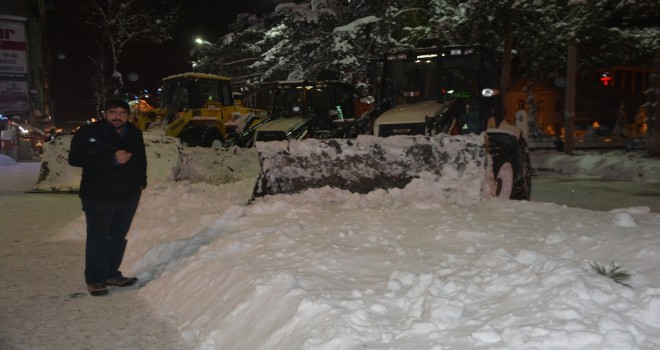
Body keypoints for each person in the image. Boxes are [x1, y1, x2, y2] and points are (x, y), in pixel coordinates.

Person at [68, 98, 147, 296]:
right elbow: (75, 158)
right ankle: (95, 279)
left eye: (122, 113)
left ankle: (111, 274)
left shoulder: (134, 132)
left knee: (117, 237)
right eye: (113, 112)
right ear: (105, 113)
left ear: (128, 116)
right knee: (99, 237)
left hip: (128, 194)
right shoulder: (89, 132)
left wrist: (141, 182)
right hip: (98, 194)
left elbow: (141, 159)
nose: (117, 117)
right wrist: (111, 159)